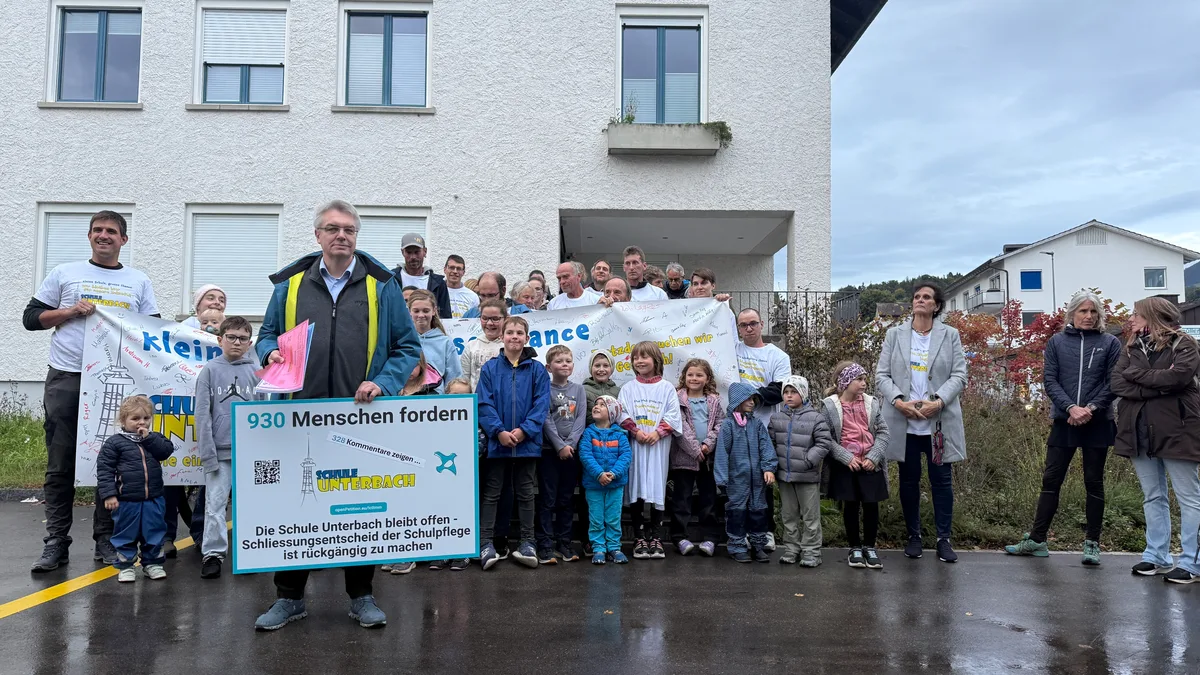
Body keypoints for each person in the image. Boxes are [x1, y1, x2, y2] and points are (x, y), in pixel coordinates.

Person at [253, 199, 422, 631]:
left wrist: (382, 383)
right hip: (300, 416)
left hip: (358, 417)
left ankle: (361, 596)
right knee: (297, 505)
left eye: (348, 229)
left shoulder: (382, 286)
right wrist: (269, 351)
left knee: (356, 507)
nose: (341, 236)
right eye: (332, 228)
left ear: (356, 236)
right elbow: (267, 334)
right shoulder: (288, 286)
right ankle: (289, 598)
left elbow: (407, 348)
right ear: (318, 236)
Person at [25, 210, 160, 572]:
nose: (104, 236)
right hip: (68, 376)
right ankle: (56, 541)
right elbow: (30, 318)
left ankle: (106, 539)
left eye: (112, 231)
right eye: (98, 230)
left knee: (113, 461)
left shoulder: (138, 281)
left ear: (123, 240)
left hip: (115, 379)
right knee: (61, 462)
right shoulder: (64, 273)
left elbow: (153, 330)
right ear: (89, 236)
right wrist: (68, 312)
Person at [1006, 291, 1121, 565]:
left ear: (1100, 316)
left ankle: (1092, 543)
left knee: (1094, 482)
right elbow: (1050, 380)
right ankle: (1037, 540)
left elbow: (1113, 382)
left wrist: (1090, 408)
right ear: (1071, 314)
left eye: (1093, 312)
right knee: (1051, 480)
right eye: (1083, 311)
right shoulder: (1056, 342)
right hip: (1064, 420)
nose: (1088, 317)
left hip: (1098, 421)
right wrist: (1071, 407)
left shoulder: (1110, 343)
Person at [875, 280, 968, 564]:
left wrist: (938, 401)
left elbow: (959, 375)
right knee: (909, 481)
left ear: (936, 305)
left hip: (938, 422)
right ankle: (913, 536)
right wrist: (898, 401)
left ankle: (943, 539)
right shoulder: (895, 335)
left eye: (927, 297)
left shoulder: (950, 335)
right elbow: (881, 376)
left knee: (941, 482)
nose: (920, 300)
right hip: (905, 422)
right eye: (917, 296)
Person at [1111, 297, 1200, 584]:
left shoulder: (1184, 344)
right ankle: (1157, 557)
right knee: (1153, 496)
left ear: (1152, 317)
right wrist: (1159, 385)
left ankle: (1192, 563)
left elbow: (1179, 379)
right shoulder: (1131, 345)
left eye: (1136, 314)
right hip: (1138, 430)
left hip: (1178, 430)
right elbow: (1117, 383)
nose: (1131, 320)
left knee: (1189, 498)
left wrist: (1139, 377)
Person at [477, 316, 551, 570]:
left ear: (527, 338)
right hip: (498, 444)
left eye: (520, 333)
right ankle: (484, 542)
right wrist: (498, 432)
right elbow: (483, 403)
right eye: (510, 332)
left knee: (526, 492)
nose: (515, 337)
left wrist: (523, 432)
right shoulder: (490, 369)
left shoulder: (538, 370)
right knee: (492, 493)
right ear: (502, 336)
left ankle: (528, 542)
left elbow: (541, 405)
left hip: (527, 444)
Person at [194, 316, 262, 579]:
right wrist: (208, 454)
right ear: (220, 339)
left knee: (251, 505)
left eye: (243, 338)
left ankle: (251, 551)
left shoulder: (257, 371)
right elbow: (202, 415)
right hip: (220, 453)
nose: (237, 342)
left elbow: (263, 413)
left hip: (249, 453)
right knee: (215, 504)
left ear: (249, 343)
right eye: (231, 337)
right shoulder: (209, 371)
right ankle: (213, 554)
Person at [96, 395, 175, 583]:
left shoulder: (154, 439)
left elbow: (166, 451)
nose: (142, 422)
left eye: (146, 418)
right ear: (123, 420)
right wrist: (109, 495)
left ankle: (153, 563)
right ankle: (126, 566)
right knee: (125, 533)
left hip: (153, 498)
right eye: (135, 418)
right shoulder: (115, 443)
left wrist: (149, 438)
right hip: (127, 500)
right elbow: (105, 469)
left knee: (154, 531)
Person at [383, 354, 448, 575]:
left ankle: (410, 555)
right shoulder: (389, 389)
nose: (409, 368)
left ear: (422, 365)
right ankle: (396, 550)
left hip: (422, 456)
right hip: (394, 455)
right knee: (396, 504)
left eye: (414, 363)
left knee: (417, 504)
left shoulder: (433, 391)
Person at [823, 363, 891, 570]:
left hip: (870, 464)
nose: (864, 383)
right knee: (850, 505)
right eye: (859, 379)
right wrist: (845, 457)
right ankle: (854, 547)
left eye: (864, 379)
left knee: (871, 505)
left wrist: (874, 456)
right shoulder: (829, 406)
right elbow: (825, 437)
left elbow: (883, 433)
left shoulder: (872, 403)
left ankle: (870, 546)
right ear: (845, 382)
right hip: (847, 465)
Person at [617, 341, 681, 560]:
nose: (639, 361)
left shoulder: (666, 387)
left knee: (656, 486)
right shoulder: (628, 388)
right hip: (636, 444)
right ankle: (638, 537)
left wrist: (658, 432)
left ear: (656, 360)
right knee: (636, 486)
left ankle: (655, 536)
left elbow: (673, 414)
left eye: (644, 357)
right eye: (636, 358)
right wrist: (635, 431)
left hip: (657, 445)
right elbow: (621, 412)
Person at [735, 307, 791, 550]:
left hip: (765, 427)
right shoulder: (731, 350)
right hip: (735, 427)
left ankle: (766, 530)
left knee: (763, 480)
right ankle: (741, 530)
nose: (748, 328)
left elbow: (779, 390)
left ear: (762, 324)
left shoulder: (777, 356)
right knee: (738, 480)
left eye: (753, 323)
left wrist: (749, 398)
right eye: (743, 325)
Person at [770, 375, 833, 567]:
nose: (789, 396)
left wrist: (809, 460)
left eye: (793, 392)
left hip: (807, 476)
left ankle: (812, 551)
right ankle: (791, 549)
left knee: (810, 516)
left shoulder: (815, 418)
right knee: (788, 515)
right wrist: (773, 465)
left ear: (803, 394)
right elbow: (771, 443)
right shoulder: (776, 418)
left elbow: (824, 443)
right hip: (785, 476)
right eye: (786, 392)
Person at [715, 382, 777, 563]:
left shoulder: (756, 424)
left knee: (758, 513)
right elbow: (722, 453)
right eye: (748, 398)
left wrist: (768, 468)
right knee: (737, 514)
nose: (752, 402)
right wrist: (722, 480)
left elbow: (766, 447)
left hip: (757, 481)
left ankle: (758, 545)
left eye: (754, 399)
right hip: (736, 480)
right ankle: (737, 545)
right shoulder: (728, 426)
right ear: (738, 400)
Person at [669, 358, 724, 557]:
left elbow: (720, 424)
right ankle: (680, 538)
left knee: (708, 500)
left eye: (699, 375)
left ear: (707, 378)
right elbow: (679, 427)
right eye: (690, 374)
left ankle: (710, 538)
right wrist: (695, 450)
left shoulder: (714, 401)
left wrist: (707, 444)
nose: (694, 378)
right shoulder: (677, 399)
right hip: (684, 458)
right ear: (684, 377)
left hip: (707, 459)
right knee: (681, 499)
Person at [537, 345, 587, 564]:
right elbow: (546, 419)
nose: (564, 364)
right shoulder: (544, 389)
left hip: (572, 453)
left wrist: (570, 445)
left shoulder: (579, 390)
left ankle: (564, 543)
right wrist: (559, 446)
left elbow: (580, 420)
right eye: (559, 361)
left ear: (573, 365)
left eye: (568, 361)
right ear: (549, 367)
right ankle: (545, 545)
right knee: (548, 499)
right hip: (549, 452)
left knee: (566, 500)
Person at [579, 395, 632, 565]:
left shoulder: (620, 435)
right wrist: (599, 474)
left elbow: (625, 456)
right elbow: (585, 455)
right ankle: (599, 548)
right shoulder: (588, 433)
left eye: (602, 405)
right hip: (594, 485)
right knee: (596, 517)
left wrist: (613, 474)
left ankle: (614, 547)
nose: (597, 407)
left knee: (613, 517)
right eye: (596, 404)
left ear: (611, 413)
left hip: (615, 485)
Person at [408, 289, 463, 393]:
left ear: (434, 311)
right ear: (409, 311)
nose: (420, 315)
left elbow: (454, 377)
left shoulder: (444, 342)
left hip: (436, 401)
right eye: (416, 311)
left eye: (426, 311)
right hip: (406, 399)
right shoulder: (403, 340)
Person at [393, 232, 451, 318]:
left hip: (429, 330)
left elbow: (445, 316)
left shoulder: (438, 283)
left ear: (425, 251)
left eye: (417, 252)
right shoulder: (392, 279)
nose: (413, 257)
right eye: (409, 252)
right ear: (402, 252)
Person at [460, 299, 507, 389]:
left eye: (495, 319)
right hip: (478, 400)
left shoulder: (509, 346)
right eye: (485, 318)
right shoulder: (471, 346)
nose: (489, 323)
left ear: (505, 319)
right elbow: (464, 380)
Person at [463, 272, 531, 318]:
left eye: (491, 295)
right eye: (482, 295)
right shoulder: (470, 315)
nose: (487, 301)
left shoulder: (524, 312)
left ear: (503, 290)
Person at [584, 352, 620, 425]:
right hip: (589, 434)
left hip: (613, 435)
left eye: (606, 366)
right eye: (597, 366)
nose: (601, 369)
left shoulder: (618, 392)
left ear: (611, 368)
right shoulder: (583, 390)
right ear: (591, 368)